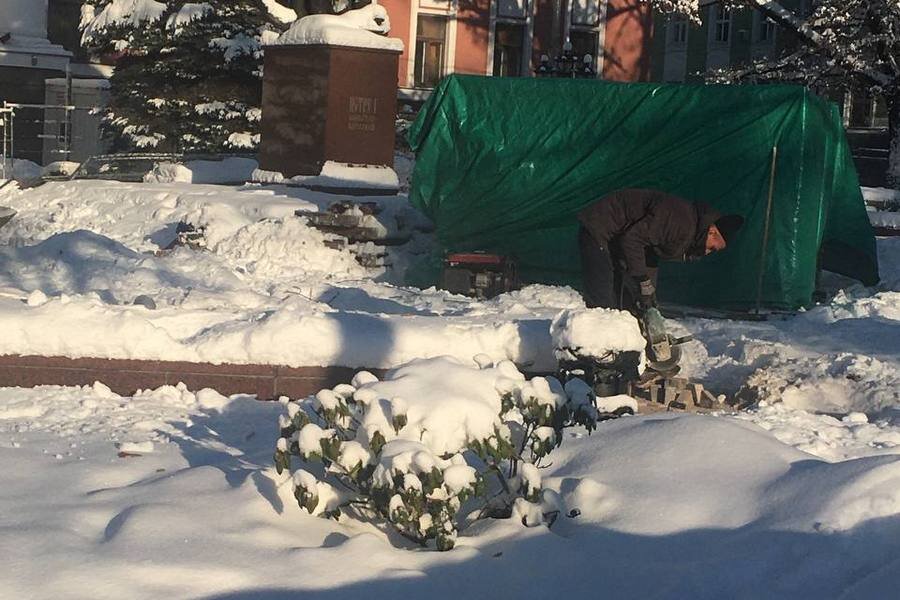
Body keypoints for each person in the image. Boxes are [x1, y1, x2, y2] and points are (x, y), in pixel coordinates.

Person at [577, 188, 744, 312]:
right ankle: (595, 352)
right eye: (712, 247)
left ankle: (626, 342)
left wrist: (648, 293)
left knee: (630, 299)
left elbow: (649, 253)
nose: (708, 252)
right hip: (601, 228)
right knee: (602, 297)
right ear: (712, 231)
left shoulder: (691, 232)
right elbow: (632, 240)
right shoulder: (681, 222)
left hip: (617, 238)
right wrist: (642, 279)